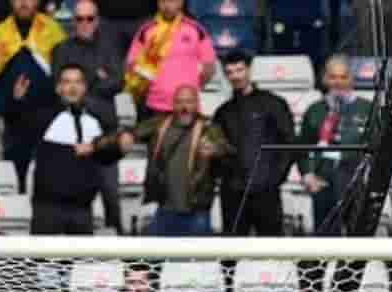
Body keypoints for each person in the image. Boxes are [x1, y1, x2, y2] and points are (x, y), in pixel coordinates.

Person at [16, 63, 125, 235]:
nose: (72, 87)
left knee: (80, 262)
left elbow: (108, 159)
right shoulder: (44, 117)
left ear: (85, 87)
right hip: (48, 210)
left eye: (78, 82)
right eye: (67, 82)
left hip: (83, 210)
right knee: (43, 262)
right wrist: (19, 101)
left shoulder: (96, 121)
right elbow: (21, 129)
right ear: (59, 88)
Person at [0, 0, 66, 188]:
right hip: (15, 123)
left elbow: (65, 76)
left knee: (50, 181)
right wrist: (12, 98)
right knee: (17, 183)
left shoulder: (53, 31)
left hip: (49, 120)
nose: (24, 3)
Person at [52, 1, 127, 231]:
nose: (84, 23)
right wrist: (97, 78)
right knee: (72, 196)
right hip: (72, 133)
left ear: (98, 20)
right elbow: (60, 89)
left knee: (111, 194)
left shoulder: (109, 47)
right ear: (73, 22)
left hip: (105, 131)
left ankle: (120, 247)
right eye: (79, 19)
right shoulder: (61, 49)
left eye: (90, 18)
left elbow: (118, 82)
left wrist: (81, 90)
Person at [123, 84, 232, 236]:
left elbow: (225, 148)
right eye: (180, 102)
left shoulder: (208, 127)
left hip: (197, 211)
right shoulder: (160, 124)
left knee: (198, 259)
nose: (184, 107)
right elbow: (133, 132)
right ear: (173, 104)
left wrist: (215, 151)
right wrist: (126, 136)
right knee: (151, 257)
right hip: (164, 210)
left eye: (189, 101)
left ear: (197, 104)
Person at [213, 49, 294, 238]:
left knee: (273, 252)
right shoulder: (223, 112)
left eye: (239, 70)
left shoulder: (273, 103)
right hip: (233, 193)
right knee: (230, 256)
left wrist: (275, 179)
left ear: (249, 70)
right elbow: (217, 150)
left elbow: (289, 144)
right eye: (230, 72)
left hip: (266, 191)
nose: (235, 76)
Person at [297, 56, 373, 234]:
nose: (338, 82)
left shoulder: (368, 108)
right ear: (324, 79)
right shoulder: (315, 110)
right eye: (333, 77)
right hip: (323, 184)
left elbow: (377, 147)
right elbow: (302, 148)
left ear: (351, 79)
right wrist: (308, 175)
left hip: (357, 185)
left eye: (343, 77)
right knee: (325, 244)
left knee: (359, 244)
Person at [123, 0, 215, 117]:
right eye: (162, 1)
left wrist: (191, 88)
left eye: (171, 1)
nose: (167, 5)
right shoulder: (146, 30)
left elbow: (209, 67)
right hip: (154, 105)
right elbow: (131, 65)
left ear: (181, 3)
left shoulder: (196, 29)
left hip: (188, 105)